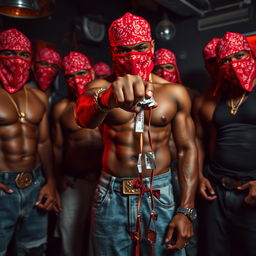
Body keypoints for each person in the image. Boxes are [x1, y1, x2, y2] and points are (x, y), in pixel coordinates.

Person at [75, 12, 197, 256]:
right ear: (111, 51)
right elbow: (83, 117)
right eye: (122, 50)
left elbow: (187, 149)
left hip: (159, 190)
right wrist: (106, 100)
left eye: (140, 47)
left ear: (152, 46)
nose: (132, 56)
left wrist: (186, 210)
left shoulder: (174, 93)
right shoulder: (99, 88)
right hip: (112, 193)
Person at [194, 32, 256, 256]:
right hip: (216, 189)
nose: (233, 64)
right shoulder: (214, 96)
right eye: (226, 60)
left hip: (250, 190)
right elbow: (199, 140)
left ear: (250, 55)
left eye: (239, 56)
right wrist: (199, 176)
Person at [0, 28, 60, 256]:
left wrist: (51, 182)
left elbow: (44, 142)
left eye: (24, 55)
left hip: (36, 184)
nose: (17, 60)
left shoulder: (37, 97)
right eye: (9, 53)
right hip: (3, 187)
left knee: (34, 250)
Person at [52, 51, 103, 256]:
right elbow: (55, 146)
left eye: (81, 73)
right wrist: (55, 179)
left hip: (103, 181)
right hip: (73, 181)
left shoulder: (106, 103)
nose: (76, 80)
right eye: (70, 76)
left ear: (91, 72)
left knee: (99, 239)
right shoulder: (62, 108)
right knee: (69, 236)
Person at [153, 48, 198, 256]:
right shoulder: (149, 94)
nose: (163, 71)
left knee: (185, 222)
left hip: (182, 168)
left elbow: (196, 142)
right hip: (159, 171)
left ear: (176, 68)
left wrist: (200, 173)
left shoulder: (188, 95)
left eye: (168, 66)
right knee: (161, 231)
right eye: (159, 67)